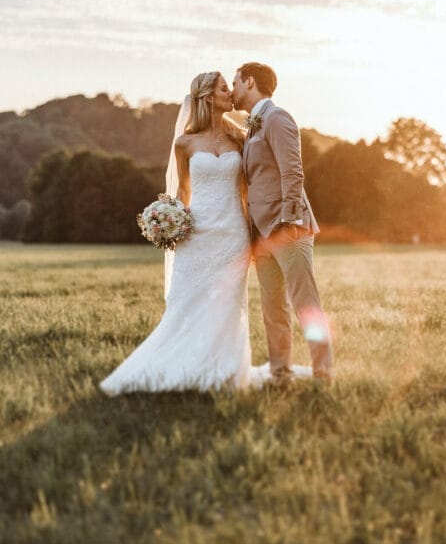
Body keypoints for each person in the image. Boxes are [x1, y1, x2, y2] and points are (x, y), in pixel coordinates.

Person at [99, 71, 311, 395]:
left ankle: (225, 368)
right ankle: (180, 363)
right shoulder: (184, 143)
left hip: (233, 234)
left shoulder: (241, 138)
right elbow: (182, 193)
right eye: (224, 89)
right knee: (188, 302)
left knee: (228, 304)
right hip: (196, 234)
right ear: (208, 97)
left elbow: (251, 184)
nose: (231, 94)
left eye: (231, 86)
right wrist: (168, 220)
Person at [233, 62, 333, 385]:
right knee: (273, 309)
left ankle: (323, 373)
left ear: (249, 82)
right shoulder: (251, 127)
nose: (232, 89)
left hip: (287, 228)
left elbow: (293, 171)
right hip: (261, 235)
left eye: (235, 82)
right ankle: (280, 374)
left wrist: (290, 219)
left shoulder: (278, 118)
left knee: (306, 304)